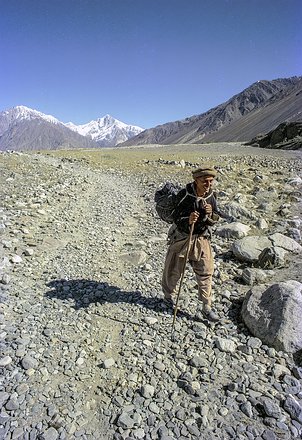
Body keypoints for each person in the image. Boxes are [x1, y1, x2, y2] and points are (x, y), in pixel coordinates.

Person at [161, 165, 220, 322]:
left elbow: (215, 219)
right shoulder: (184, 195)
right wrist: (188, 220)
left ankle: (206, 306)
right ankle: (168, 297)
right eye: (205, 181)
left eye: (211, 181)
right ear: (196, 180)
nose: (208, 184)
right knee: (173, 270)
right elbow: (175, 218)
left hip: (201, 238)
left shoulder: (211, 196)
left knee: (206, 271)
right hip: (182, 238)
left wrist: (210, 214)